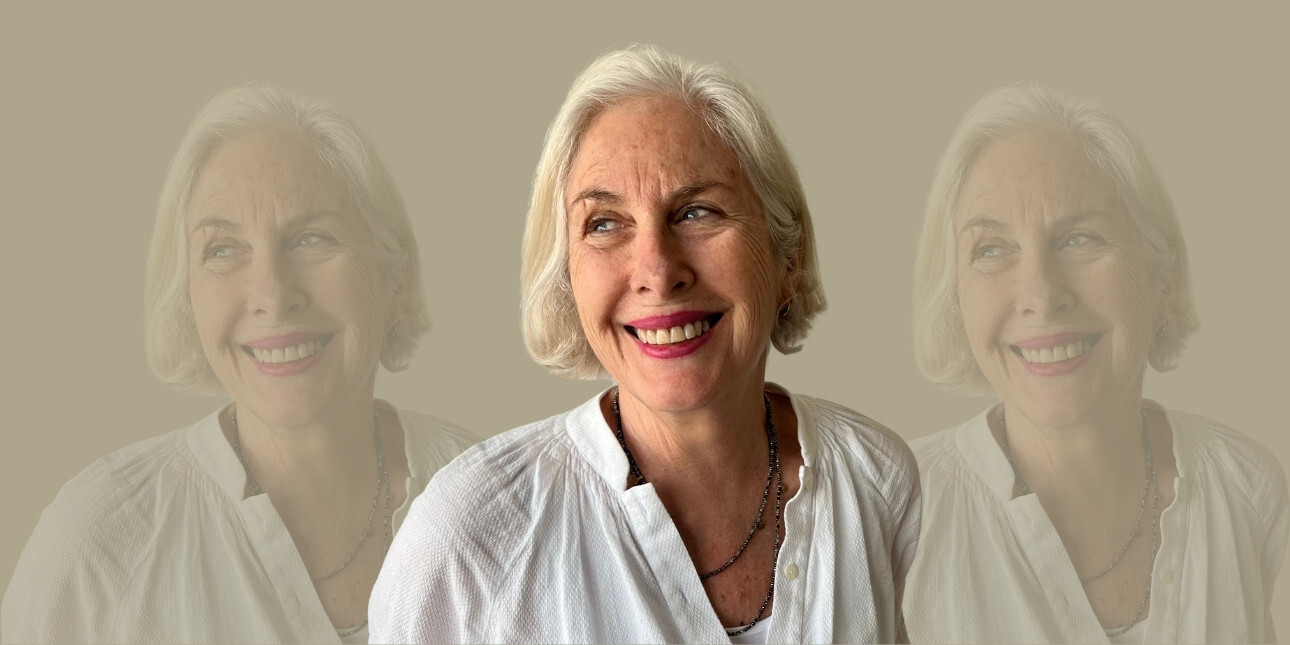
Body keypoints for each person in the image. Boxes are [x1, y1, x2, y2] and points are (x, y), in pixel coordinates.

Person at [369, 45, 920, 644]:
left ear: (788, 256)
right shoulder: (468, 540)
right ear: (567, 278)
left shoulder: (877, 479)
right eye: (604, 224)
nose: (657, 269)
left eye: (697, 212)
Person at [0, 82, 476, 644]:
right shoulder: (98, 545)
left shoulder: (504, 505)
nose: (272, 294)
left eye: (311, 238)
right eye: (223, 249)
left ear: (393, 278)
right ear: (187, 298)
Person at [903, 83, 1288, 643]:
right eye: (991, 249)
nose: (1040, 292)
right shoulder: (888, 518)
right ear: (955, 296)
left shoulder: (1249, 492)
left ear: (1163, 276)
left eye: (1079, 238)